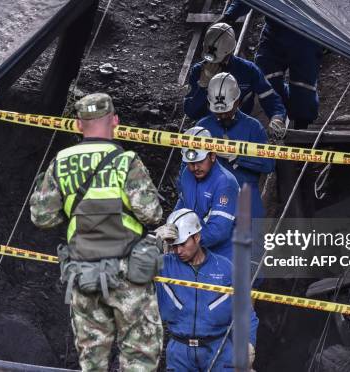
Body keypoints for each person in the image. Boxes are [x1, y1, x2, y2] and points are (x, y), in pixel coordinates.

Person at [29, 93, 163, 371]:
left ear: (78, 125)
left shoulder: (61, 162)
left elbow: (42, 217)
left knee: (92, 360)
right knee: (139, 357)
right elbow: (152, 213)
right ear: (114, 120)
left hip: (83, 275)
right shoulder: (126, 162)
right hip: (129, 275)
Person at [155, 209, 258, 371]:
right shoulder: (163, 266)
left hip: (219, 349)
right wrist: (152, 242)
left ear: (197, 237)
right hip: (180, 353)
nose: (178, 251)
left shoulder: (225, 268)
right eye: (174, 245)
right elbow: (132, 268)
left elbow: (245, 311)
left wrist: (249, 342)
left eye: (182, 244)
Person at [220, 1, 323, 133]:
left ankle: (300, 128)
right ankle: (278, 116)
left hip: (307, 34)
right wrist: (229, 16)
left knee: (303, 87)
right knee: (266, 78)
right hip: (275, 32)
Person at [198, 72, 274, 219]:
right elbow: (186, 168)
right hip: (210, 197)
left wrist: (239, 156)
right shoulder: (203, 127)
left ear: (238, 101)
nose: (222, 115)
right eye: (218, 112)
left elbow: (268, 164)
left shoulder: (253, 127)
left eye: (226, 111)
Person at [184, 22, 286, 128]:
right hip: (213, 125)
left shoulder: (248, 70)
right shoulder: (198, 71)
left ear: (229, 51)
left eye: (218, 59)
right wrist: (203, 86)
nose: (212, 63)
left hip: (244, 121)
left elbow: (269, 96)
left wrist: (277, 116)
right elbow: (191, 112)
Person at [171, 126, 239, 260]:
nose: (195, 168)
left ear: (212, 155)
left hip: (224, 253)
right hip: (195, 246)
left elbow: (218, 232)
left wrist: (184, 241)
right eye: (191, 163)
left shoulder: (225, 183)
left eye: (200, 162)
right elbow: (183, 202)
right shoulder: (187, 174)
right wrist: (172, 225)